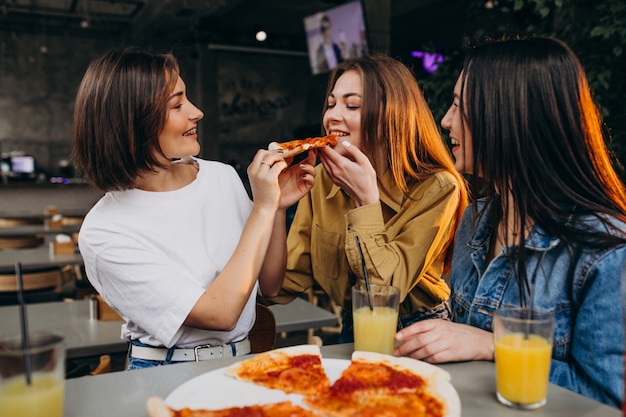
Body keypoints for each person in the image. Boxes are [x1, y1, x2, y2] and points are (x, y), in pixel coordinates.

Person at [394, 37, 626, 408]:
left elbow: (607, 400)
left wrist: (495, 346)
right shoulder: (477, 218)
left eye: (458, 106)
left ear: (508, 116)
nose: (445, 120)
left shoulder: (606, 251)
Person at [71, 47, 316, 369]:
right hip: (165, 371)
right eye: (177, 105)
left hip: (242, 362)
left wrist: (276, 207)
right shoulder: (105, 231)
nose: (197, 111)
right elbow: (220, 313)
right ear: (133, 124)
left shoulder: (220, 176)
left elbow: (269, 285)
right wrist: (261, 207)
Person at [268, 53, 469, 343]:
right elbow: (280, 286)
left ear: (392, 115)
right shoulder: (322, 178)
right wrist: (273, 206)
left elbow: (382, 295)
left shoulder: (438, 187)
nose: (332, 116)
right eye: (331, 104)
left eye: (352, 105)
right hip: (352, 328)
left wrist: (365, 201)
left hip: (422, 331)